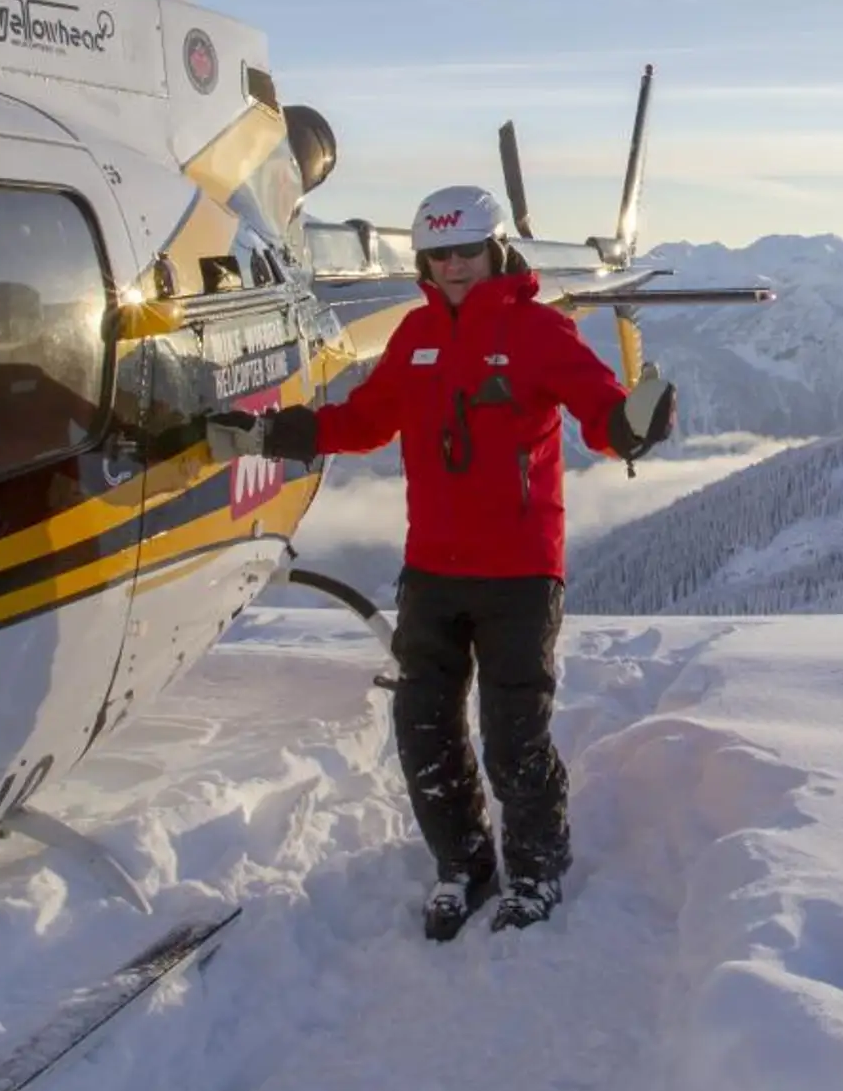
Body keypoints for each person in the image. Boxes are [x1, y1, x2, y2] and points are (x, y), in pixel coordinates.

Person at [207, 186, 675, 939]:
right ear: (424, 260)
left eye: (466, 251)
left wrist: (633, 425)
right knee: (422, 723)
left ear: (494, 248)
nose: (454, 266)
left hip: (520, 571)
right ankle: (463, 865)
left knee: (513, 731)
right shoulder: (416, 334)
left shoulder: (539, 330)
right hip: (432, 566)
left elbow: (600, 414)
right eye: (438, 255)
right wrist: (273, 436)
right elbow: (364, 420)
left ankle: (534, 873)